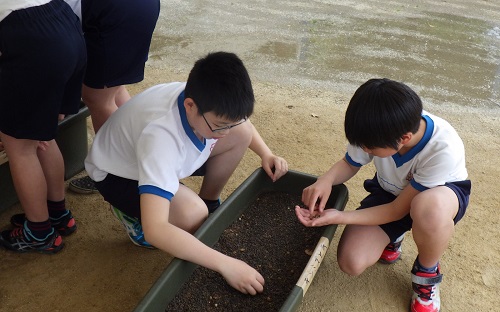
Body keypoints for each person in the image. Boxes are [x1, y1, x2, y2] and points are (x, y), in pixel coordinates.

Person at [85, 51, 289, 295]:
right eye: (219, 126)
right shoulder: (161, 138)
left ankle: (209, 202)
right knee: (191, 214)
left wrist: (266, 153)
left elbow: (238, 125)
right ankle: (130, 214)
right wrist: (226, 264)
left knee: (242, 133)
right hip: (118, 174)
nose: (225, 132)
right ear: (190, 106)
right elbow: (156, 229)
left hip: (152, 156)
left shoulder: (205, 98)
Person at [295, 78, 471, 312]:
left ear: (404, 138)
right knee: (351, 261)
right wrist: (325, 180)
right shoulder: (379, 125)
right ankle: (393, 237)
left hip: (437, 200)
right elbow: (349, 163)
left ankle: (427, 271)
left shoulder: (443, 147)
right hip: (392, 191)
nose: (364, 149)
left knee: (428, 210)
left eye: (370, 148)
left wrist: (340, 216)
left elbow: (398, 209)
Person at [0, 0, 86, 253]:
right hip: (64, 24)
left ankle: (38, 232)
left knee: (21, 148)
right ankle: (58, 213)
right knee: (43, 138)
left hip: (30, 39)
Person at [67, 0, 161, 194]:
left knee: (98, 98)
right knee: (112, 88)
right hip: (139, 7)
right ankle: (140, 156)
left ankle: (113, 173)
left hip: (114, 12)